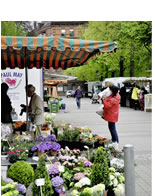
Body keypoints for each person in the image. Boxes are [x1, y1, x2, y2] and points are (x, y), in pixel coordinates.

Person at [102, 85, 121, 152]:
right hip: (113, 114)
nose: (109, 91)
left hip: (112, 115)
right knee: (112, 128)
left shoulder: (114, 99)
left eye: (110, 90)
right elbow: (109, 98)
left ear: (113, 91)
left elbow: (107, 106)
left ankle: (116, 143)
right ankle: (114, 142)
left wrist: (103, 99)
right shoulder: (116, 95)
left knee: (112, 129)